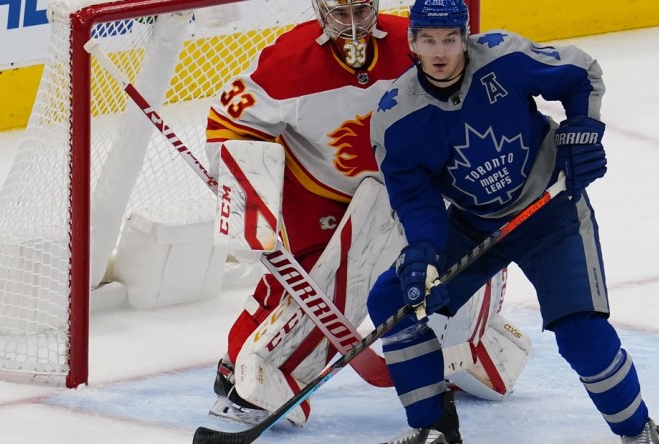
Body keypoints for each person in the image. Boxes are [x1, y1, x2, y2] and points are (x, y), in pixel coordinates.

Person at [203, 0, 530, 428]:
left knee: (471, 236)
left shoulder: (414, 43)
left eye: (362, 8)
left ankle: (465, 344)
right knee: (314, 284)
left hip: (412, 184)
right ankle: (249, 365)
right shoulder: (289, 61)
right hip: (321, 191)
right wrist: (247, 193)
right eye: (342, 10)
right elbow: (230, 124)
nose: (354, 23)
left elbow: (478, 96)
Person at [368, 1, 659, 443]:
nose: (440, 51)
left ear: (465, 38)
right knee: (394, 305)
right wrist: (423, 253)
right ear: (412, 43)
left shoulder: (503, 58)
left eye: (450, 39)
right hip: (474, 223)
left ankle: (639, 433)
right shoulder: (396, 120)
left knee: (580, 332)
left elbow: (580, 73)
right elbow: (416, 201)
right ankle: (434, 429)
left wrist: (581, 130)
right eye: (428, 40)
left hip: (550, 211)